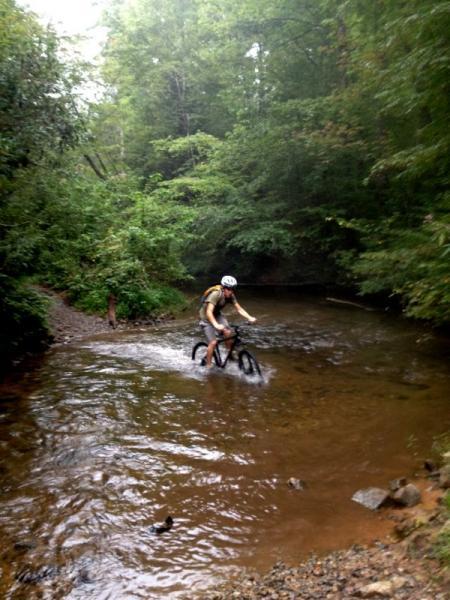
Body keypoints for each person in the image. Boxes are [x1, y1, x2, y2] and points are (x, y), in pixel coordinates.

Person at [199, 275, 256, 368]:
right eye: (229, 289)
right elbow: (209, 312)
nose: (231, 291)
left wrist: (249, 317)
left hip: (217, 314)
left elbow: (239, 309)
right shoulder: (216, 294)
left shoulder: (231, 295)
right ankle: (208, 367)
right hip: (206, 317)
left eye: (233, 289)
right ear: (224, 288)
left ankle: (229, 356)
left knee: (228, 332)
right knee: (213, 342)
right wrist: (216, 325)